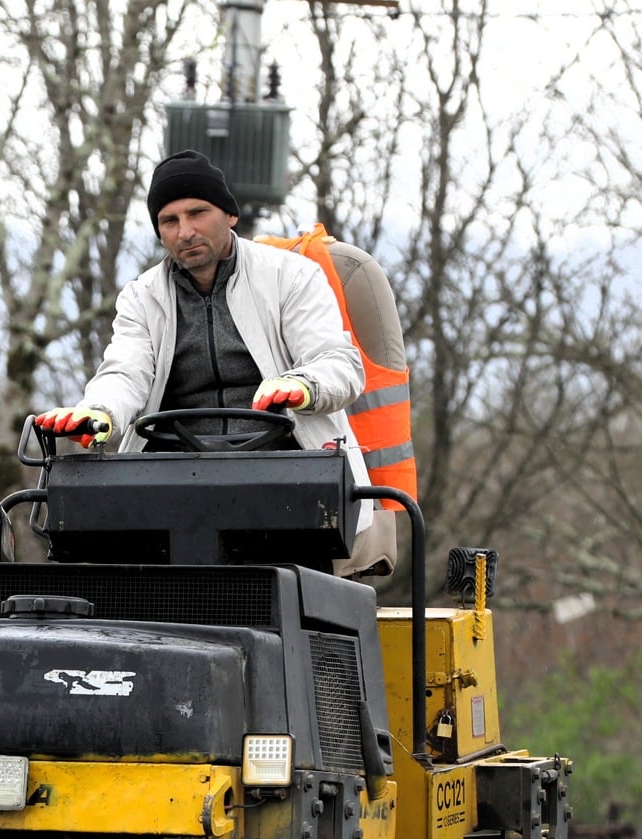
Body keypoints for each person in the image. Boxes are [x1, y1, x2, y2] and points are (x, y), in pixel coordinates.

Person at [34, 150, 391, 575]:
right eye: (169, 220)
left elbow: (336, 362)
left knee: (287, 582)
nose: (185, 231)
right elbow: (125, 371)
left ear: (230, 215)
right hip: (172, 485)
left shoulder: (290, 277)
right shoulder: (141, 297)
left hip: (283, 483)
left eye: (197, 213)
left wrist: (302, 385)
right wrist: (99, 412)